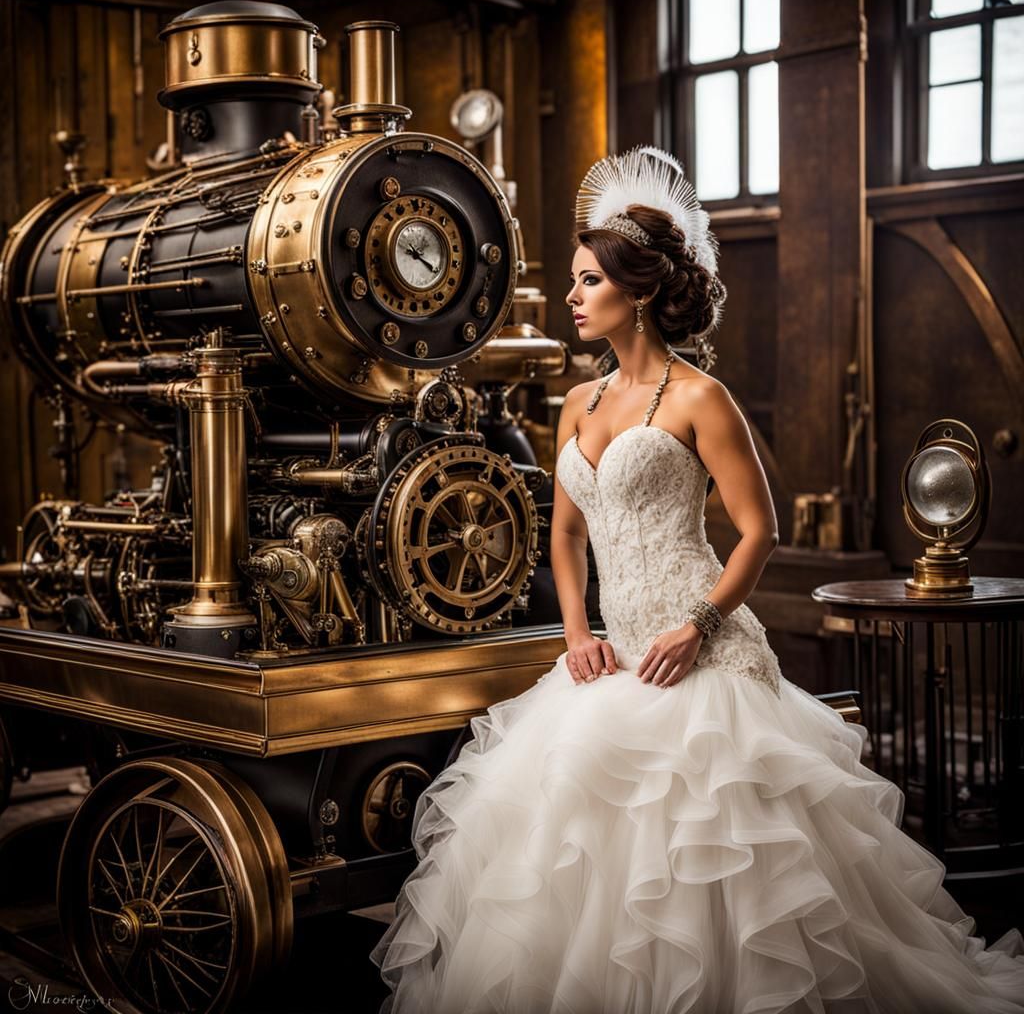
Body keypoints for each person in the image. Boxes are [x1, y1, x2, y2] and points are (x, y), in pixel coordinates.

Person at [369, 147, 1024, 1013]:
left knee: (715, 865)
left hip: (700, 655)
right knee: (568, 850)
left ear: (635, 292)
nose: (571, 296)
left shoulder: (700, 399)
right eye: (572, 280)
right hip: (609, 659)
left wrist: (700, 625)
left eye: (587, 281)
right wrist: (575, 633)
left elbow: (761, 531)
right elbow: (563, 532)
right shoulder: (577, 402)